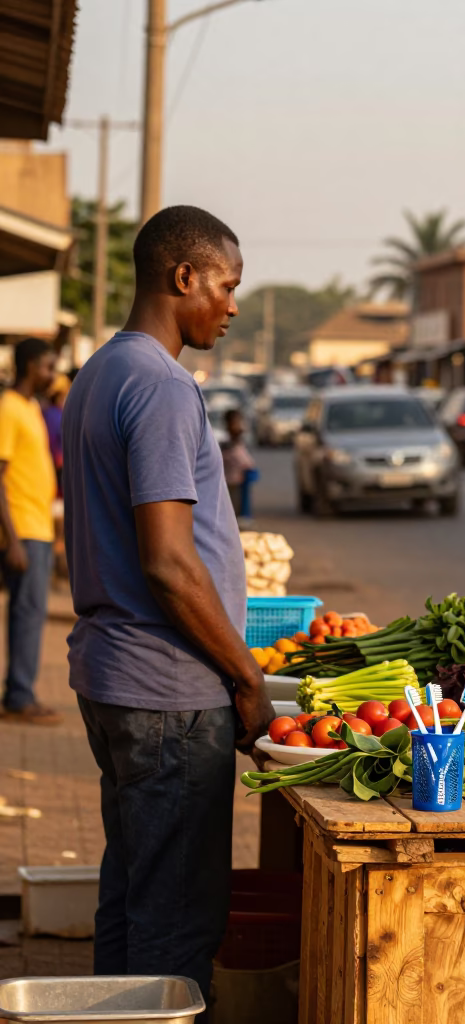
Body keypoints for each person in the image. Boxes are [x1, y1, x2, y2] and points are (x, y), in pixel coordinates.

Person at [61, 206, 274, 1002]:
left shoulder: (101, 372)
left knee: (131, 895)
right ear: (182, 277)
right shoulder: (160, 386)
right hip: (169, 696)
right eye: (227, 285)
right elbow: (170, 564)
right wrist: (245, 677)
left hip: (117, 681)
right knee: (176, 921)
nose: (232, 303)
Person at [0, 338, 60, 725]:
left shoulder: (30, 406)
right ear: (29, 367)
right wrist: (13, 538)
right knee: (27, 613)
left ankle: (21, 690)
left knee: (32, 613)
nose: (51, 375)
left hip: (39, 527)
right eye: (46, 367)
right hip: (24, 530)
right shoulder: (8, 407)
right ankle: (19, 695)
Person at [221, 408, 256, 519]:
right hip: (230, 483)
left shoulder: (240, 442)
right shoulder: (227, 445)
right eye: (236, 423)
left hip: (239, 482)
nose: (239, 426)